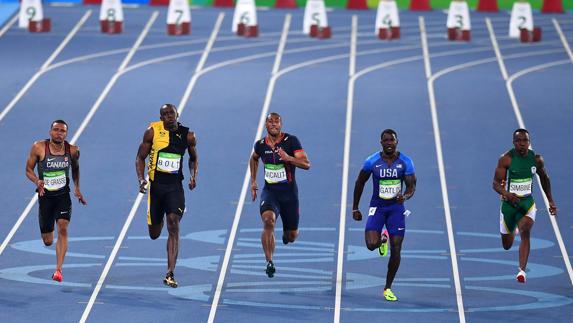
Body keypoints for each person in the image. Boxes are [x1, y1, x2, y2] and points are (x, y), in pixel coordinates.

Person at [136, 104, 198, 288]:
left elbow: (193, 158)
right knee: (154, 234)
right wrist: (141, 180)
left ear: (177, 114)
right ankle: (160, 216)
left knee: (173, 223)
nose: (169, 116)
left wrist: (193, 175)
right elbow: (140, 157)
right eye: (165, 114)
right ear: (161, 118)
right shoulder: (152, 132)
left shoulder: (188, 135)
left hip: (174, 188)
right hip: (156, 189)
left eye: (172, 112)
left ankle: (170, 272)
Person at [352, 129, 416, 301]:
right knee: (371, 245)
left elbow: (411, 186)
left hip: (396, 210)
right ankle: (382, 239)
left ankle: (387, 287)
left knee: (397, 250)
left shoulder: (406, 162)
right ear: (381, 142)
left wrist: (406, 196)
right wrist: (355, 208)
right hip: (378, 207)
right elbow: (360, 183)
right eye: (385, 140)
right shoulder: (371, 161)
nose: (389, 143)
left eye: (392, 140)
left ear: (397, 142)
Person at [249, 112, 310, 278]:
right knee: (268, 221)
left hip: (289, 195)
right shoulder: (260, 145)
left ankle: (285, 234)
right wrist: (253, 182)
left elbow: (306, 164)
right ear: (266, 125)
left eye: (277, 122)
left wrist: (288, 158)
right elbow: (254, 159)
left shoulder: (291, 141)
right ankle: (269, 261)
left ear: (281, 125)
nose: (274, 124)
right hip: (270, 193)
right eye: (271, 122)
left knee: (291, 236)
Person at [25, 120, 87, 282]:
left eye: (62, 131)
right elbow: (28, 170)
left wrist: (77, 188)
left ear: (66, 134)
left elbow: (76, 168)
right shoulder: (38, 147)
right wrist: (37, 181)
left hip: (63, 196)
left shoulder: (72, 151)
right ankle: (47, 231)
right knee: (48, 241)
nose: (59, 133)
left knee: (63, 228)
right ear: (50, 131)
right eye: (56, 130)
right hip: (45, 197)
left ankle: (58, 270)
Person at [493, 128, 557, 283]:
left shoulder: (536, 160)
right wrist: (507, 194)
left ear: (529, 142)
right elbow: (495, 184)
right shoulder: (506, 159)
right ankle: (512, 228)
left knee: (525, 231)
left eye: (525, 141)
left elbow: (544, 178)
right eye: (519, 141)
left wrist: (550, 200)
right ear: (514, 143)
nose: (522, 144)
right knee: (507, 245)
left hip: (527, 203)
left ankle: (521, 271)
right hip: (509, 204)